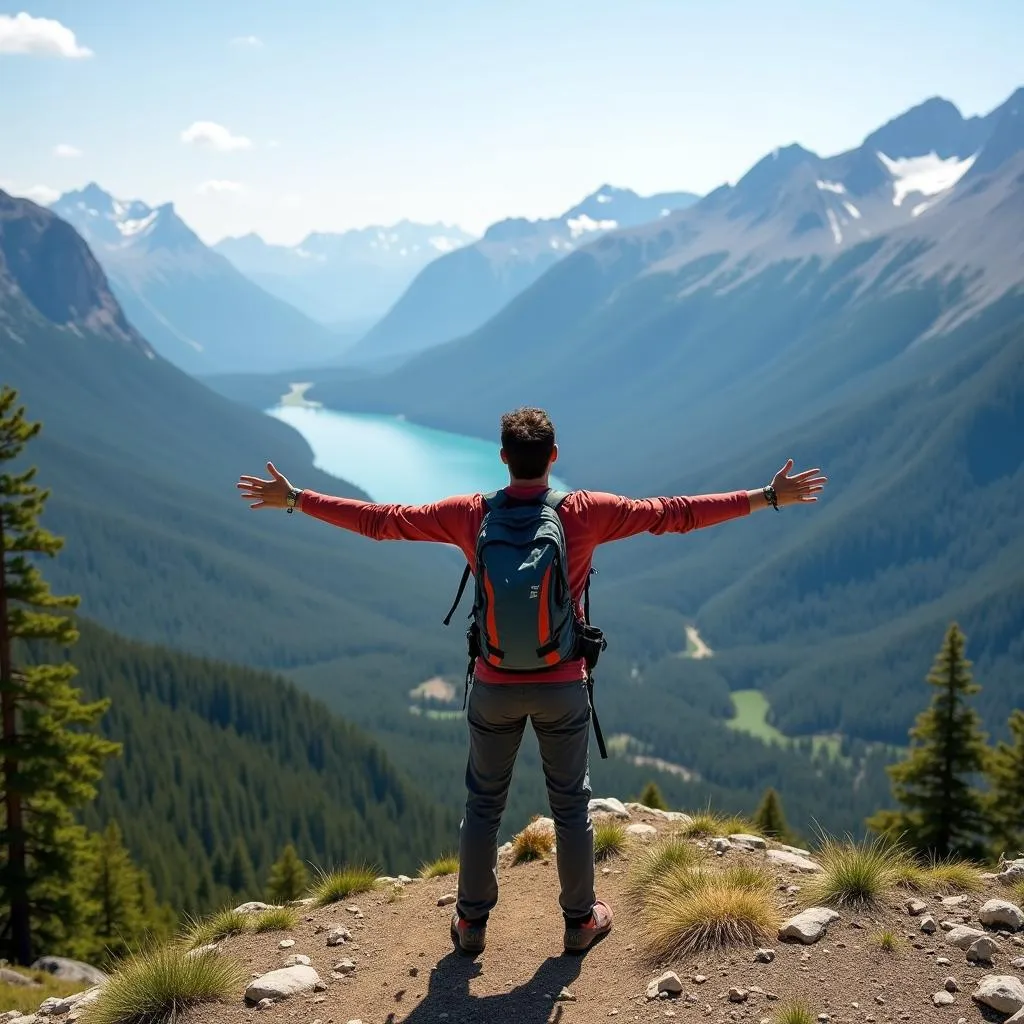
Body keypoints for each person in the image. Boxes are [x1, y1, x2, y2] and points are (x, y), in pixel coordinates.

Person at [236, 407, 827, 957]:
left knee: (483, 805)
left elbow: (381, 523)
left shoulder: (473, 514)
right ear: (554, 456)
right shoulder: (585, 511)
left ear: (502, 457)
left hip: (493, 684)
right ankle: (579, 922)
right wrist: (768, 496)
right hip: (562, 684)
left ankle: (470, 924)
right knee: (570, 806)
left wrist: (296, 499)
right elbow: (677, 513)